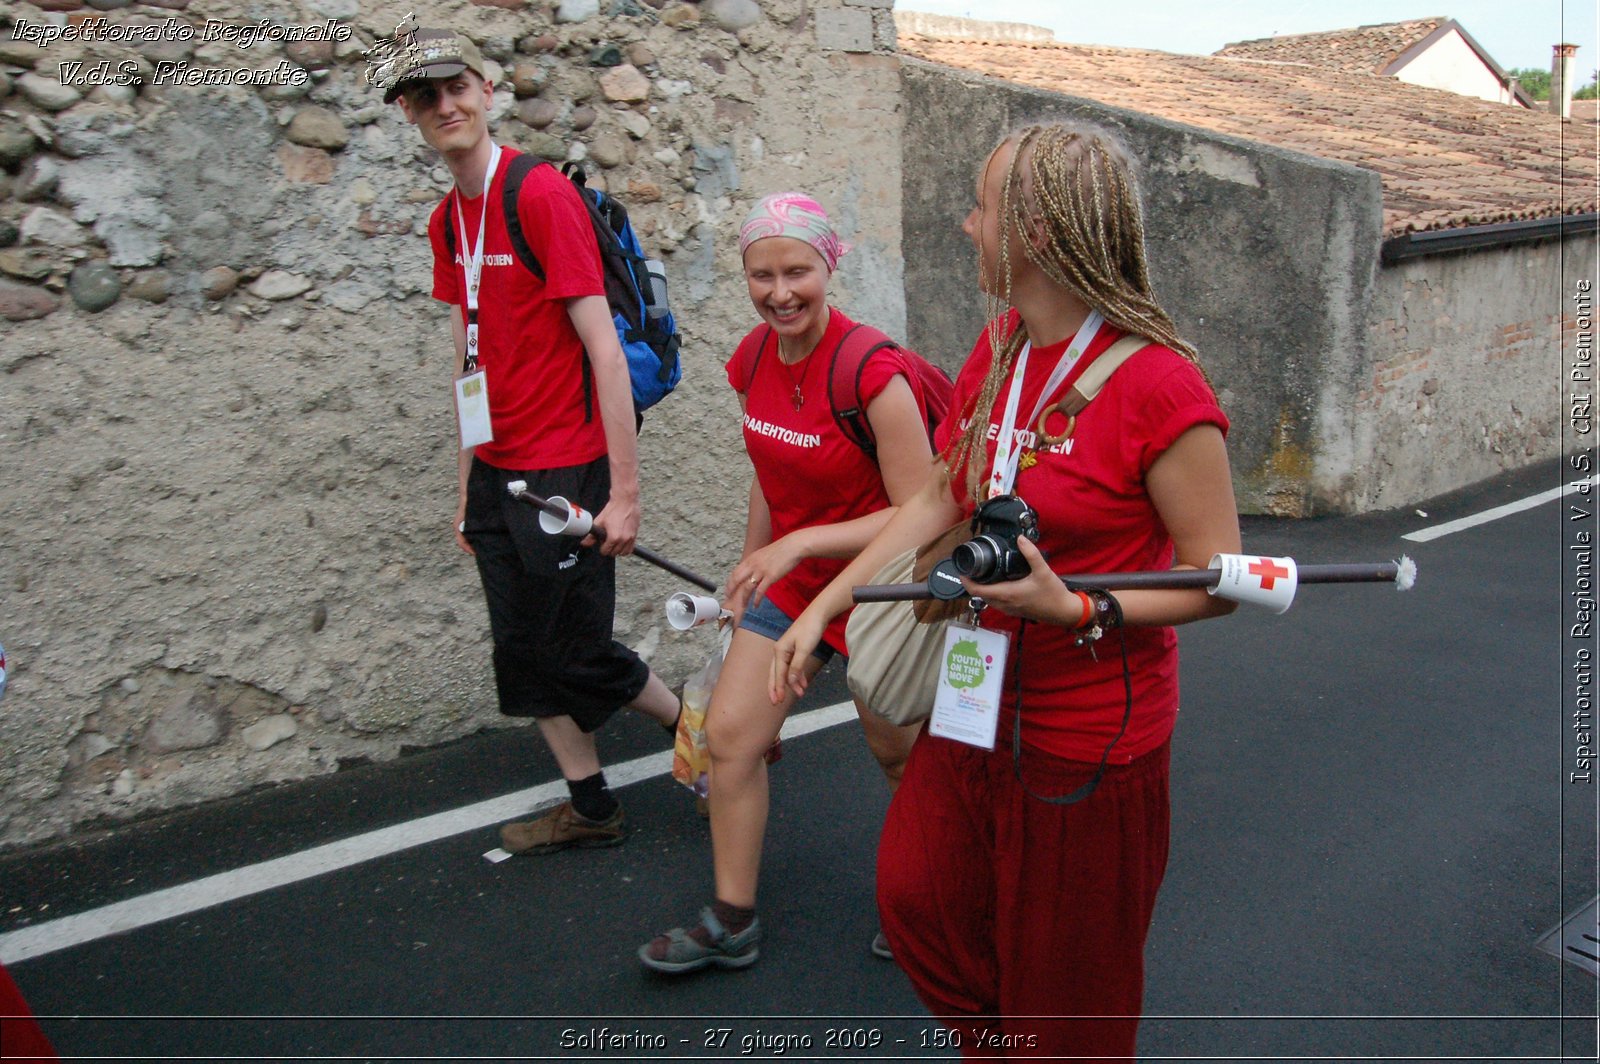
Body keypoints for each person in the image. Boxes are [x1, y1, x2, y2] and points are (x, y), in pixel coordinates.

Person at [771, 122, 1242, 1059]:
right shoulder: (1003, 349)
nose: (966, 225)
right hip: (977, 704)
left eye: (982, 208)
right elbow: (945, 488)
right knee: (920, 901)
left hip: (1089, 739)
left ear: (1033, 230)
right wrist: (837, 596)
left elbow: (1219, 580)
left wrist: (1076, 609)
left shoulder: (1161, 388)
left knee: (1069, 995)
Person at [386, 29, 682, 854]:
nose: (444, 107)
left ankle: (696, 733)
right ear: (410, 115)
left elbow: (602, 353)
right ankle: (591, 807)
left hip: (565, 462)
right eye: (424, 98)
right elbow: (466, 355)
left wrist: (624, 494)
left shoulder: (538, 193)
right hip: (498, 470)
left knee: (577, 647)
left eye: (455, 89)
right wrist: (464, 484)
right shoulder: (450, 221)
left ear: (484, 92)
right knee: (520, 652)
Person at [637, 193, 930, 974]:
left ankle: (931, 905)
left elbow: (919, 510)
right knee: (731, 740)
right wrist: (750, 564)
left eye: (796, 270)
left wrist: (798, 544)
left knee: (897, 753)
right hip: (797, 581)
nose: (780, 291)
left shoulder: (873, 372)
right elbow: (770, 471)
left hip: (882, 584)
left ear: (828, 266)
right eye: (760, 275)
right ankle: (732, 918)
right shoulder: (751, 360)